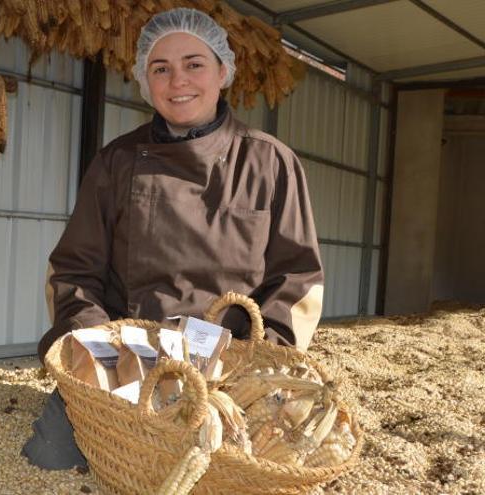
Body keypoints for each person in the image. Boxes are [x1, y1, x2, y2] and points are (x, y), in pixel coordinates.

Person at [21, 8, 324, 470]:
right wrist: (103, 354)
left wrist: (258, 365)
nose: (177, 80)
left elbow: (298, 277)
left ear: (223, 71)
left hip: (233, 365)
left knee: (238, 466)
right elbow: (74, 270)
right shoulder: (117, 161)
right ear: (145, 80)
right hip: (130, 362)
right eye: (160, 69)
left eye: (193, 64)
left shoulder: (270, 162)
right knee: (52, 457)